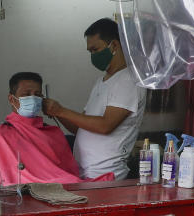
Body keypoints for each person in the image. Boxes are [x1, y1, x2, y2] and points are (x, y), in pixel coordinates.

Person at [42, 18, 146, 181]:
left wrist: (61, 110)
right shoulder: (101, 82)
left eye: (95, 49)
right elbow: (80, 127)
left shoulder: (128, 80)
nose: (93, 55)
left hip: (106, 174)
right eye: (90, 51)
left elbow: (105, 125)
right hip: (86, 172)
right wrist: (57, 113)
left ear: (115, 46)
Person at [0, 71, 112, 185]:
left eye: (37, 94)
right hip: (26, 192)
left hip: (63, 187)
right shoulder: (1, 134)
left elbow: (68, 172)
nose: (32, 98)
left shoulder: (53, 132)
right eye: (26, 94)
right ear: (12, 99)